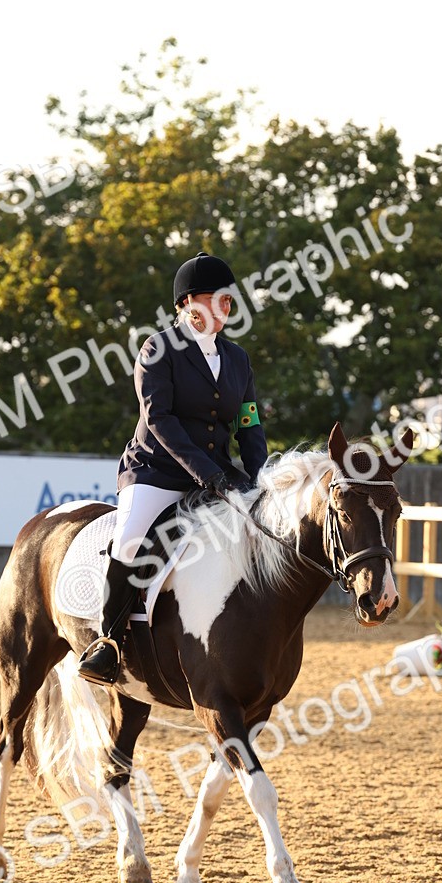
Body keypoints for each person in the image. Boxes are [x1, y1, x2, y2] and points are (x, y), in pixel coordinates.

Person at [79, 251, 268, 683]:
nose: (222, 308)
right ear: (185, 305)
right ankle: (107, 643)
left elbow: (249, 424)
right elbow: (159, 419)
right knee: (129, 541)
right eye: (212, 299)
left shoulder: (238, 359)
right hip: (156, 471)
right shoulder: (158, 349)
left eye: (227, 301)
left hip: (220, 473)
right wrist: (208, 473)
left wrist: (260, 482)